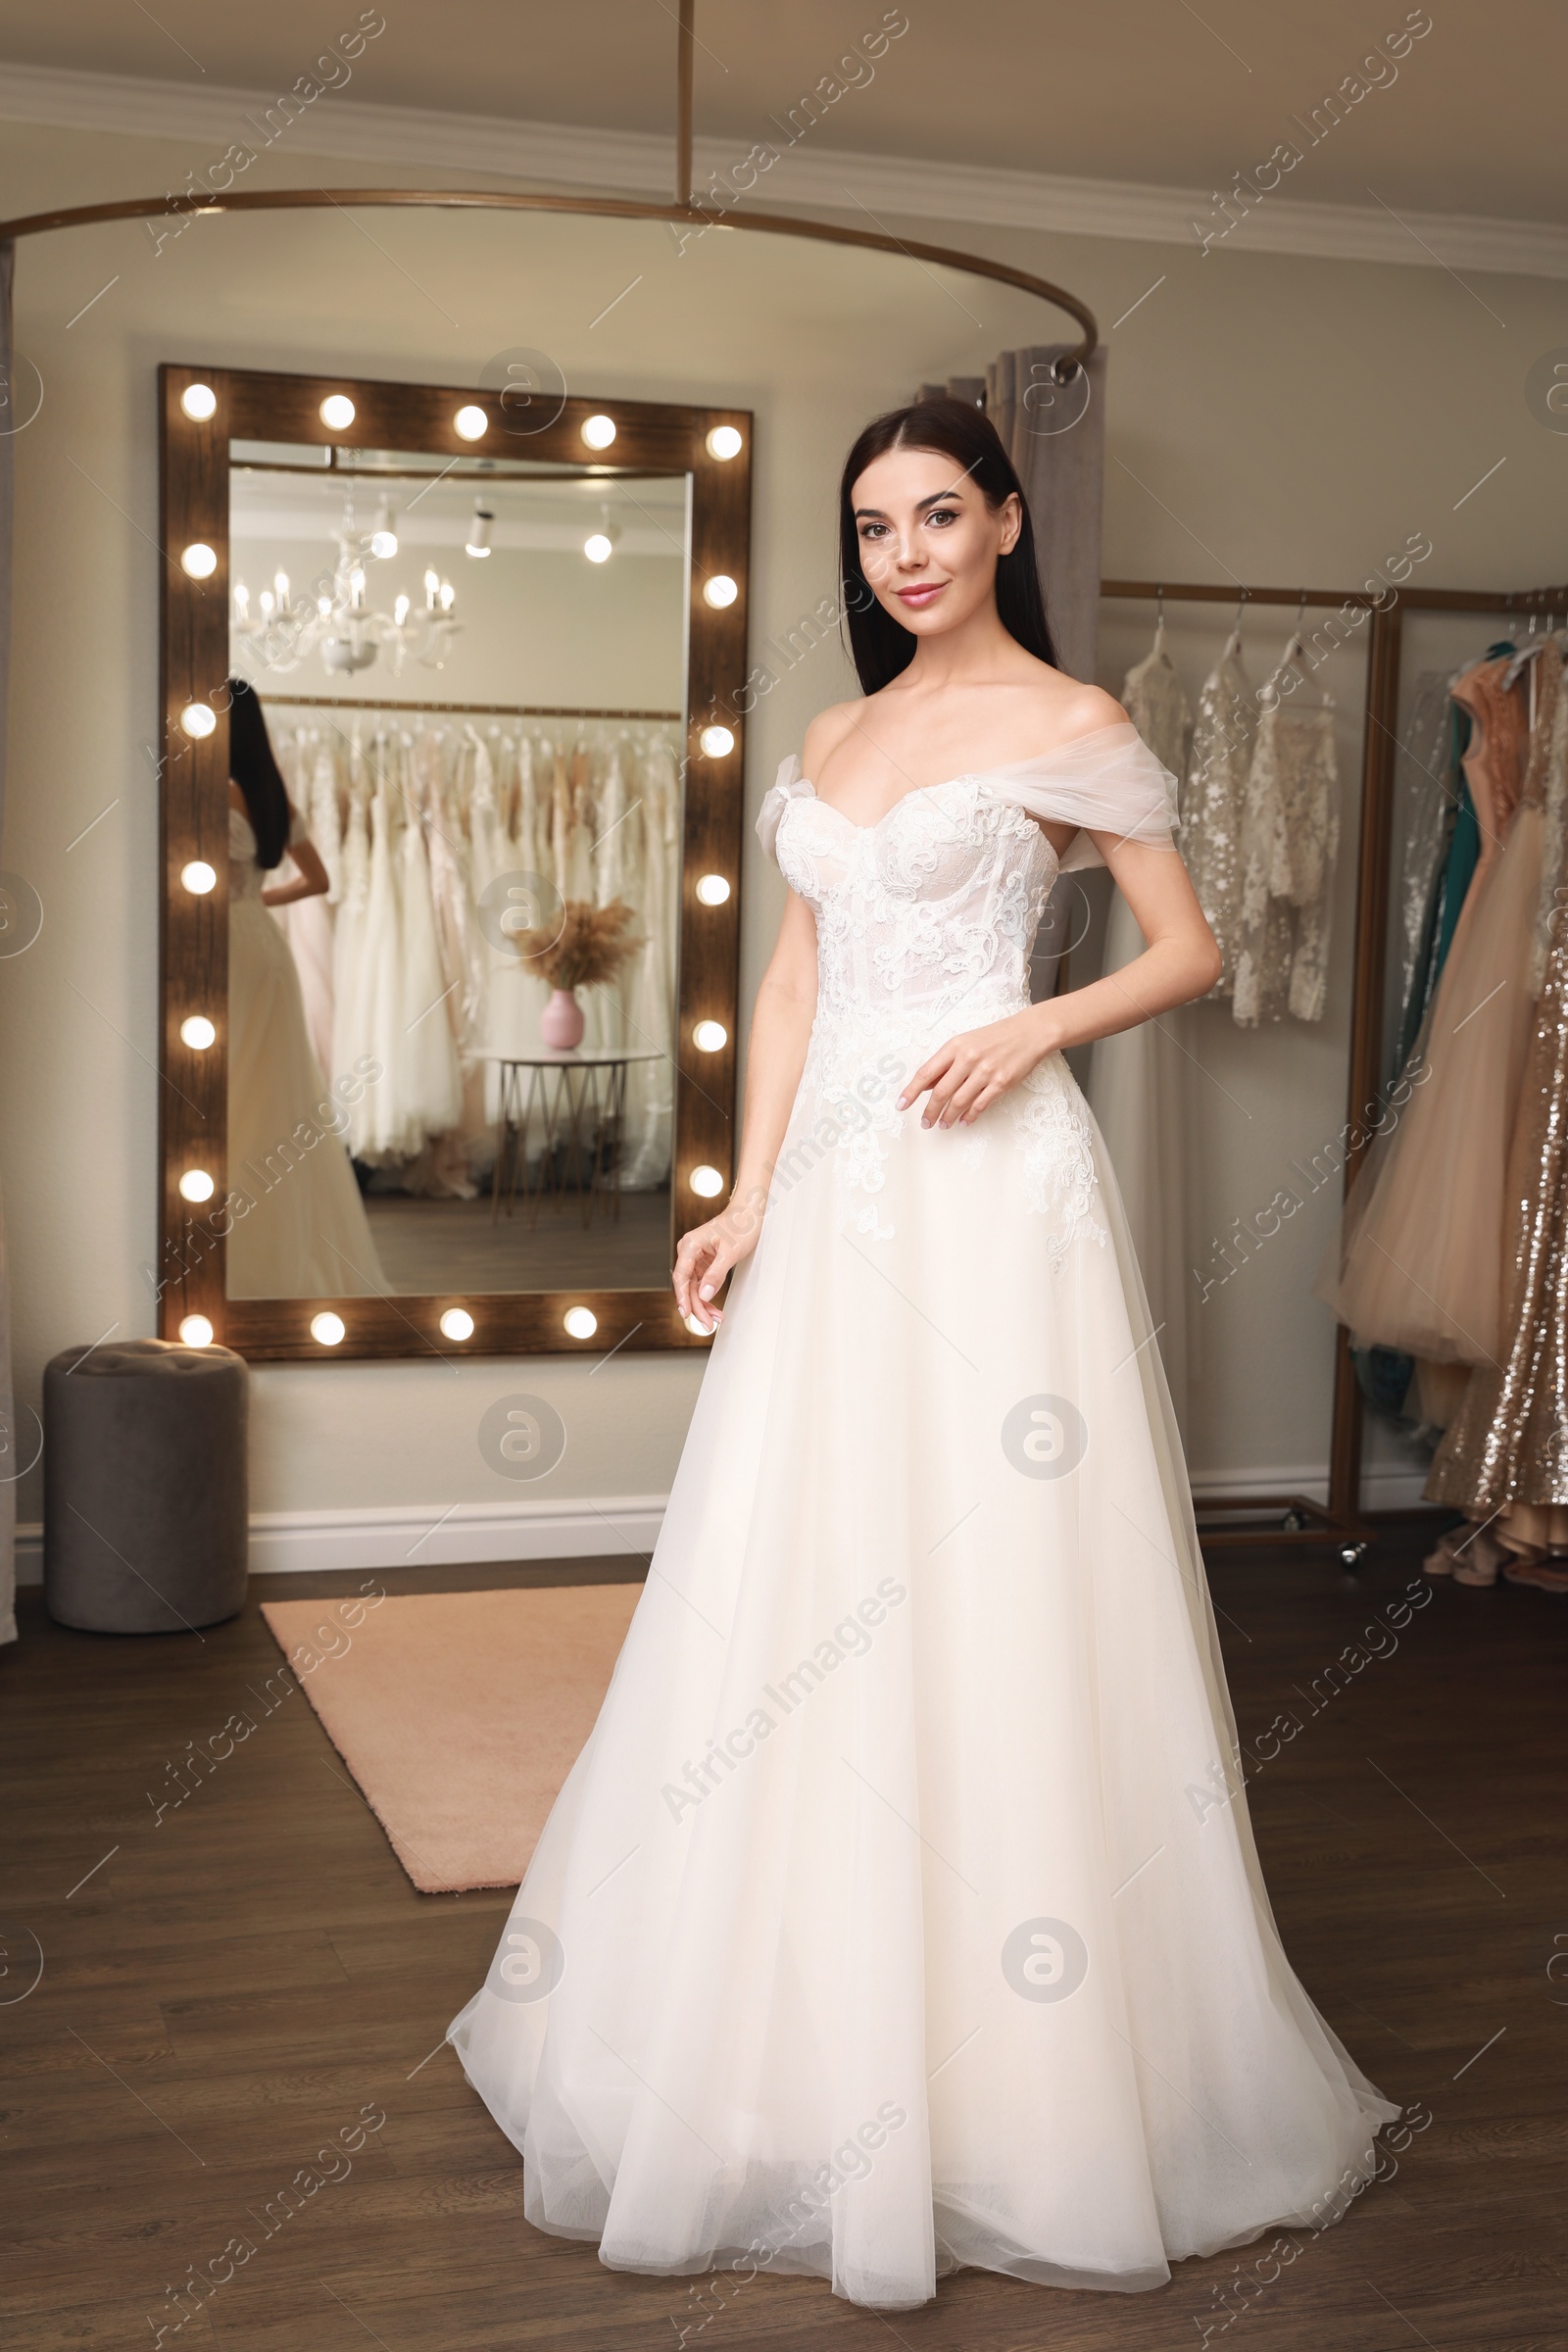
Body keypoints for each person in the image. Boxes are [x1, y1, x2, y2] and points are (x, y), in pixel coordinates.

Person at [449, 401, 1397, 2309]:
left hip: (992, 1192)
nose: (903, 552)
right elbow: (793, 976)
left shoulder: (1073, 726)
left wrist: (1034, 1028)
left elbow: (1188, 953)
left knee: (988, 1586)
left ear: (1003, 520)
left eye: (938, 514)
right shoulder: (832, 735)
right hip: (836, 1194)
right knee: (794, 1581)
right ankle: (789, 2039)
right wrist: (739, 1191)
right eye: (874, 523)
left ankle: (1020, 2078)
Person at [224, 677, 387, 1299]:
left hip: (231, 949)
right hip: (265, 945)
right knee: (273, 1098)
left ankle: (239, 1248)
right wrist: (256, 897)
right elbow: (317, 879)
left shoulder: (215, 793)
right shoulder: (272, 796)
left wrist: (238, 899)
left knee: (236, 1093)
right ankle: (269, 1239)